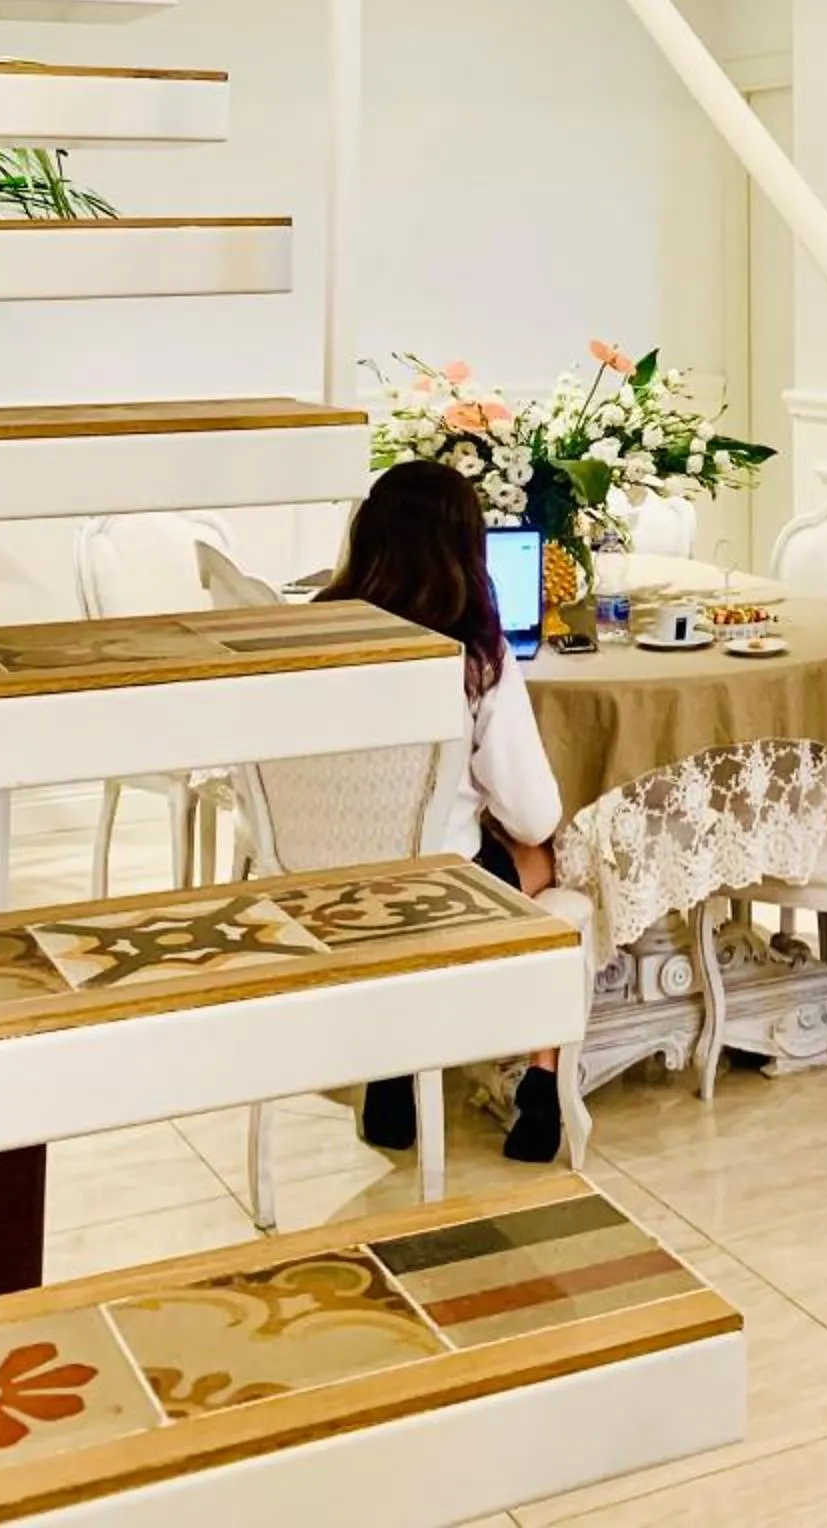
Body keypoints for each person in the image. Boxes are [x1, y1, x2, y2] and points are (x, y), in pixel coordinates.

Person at [317, 460, 568, 1163]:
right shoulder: (474, 652)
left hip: (320, 886)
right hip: (435, 892)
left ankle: (394, 1073)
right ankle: (541, 1087)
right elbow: (533, 812)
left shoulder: (315, 637)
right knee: (546, 858)